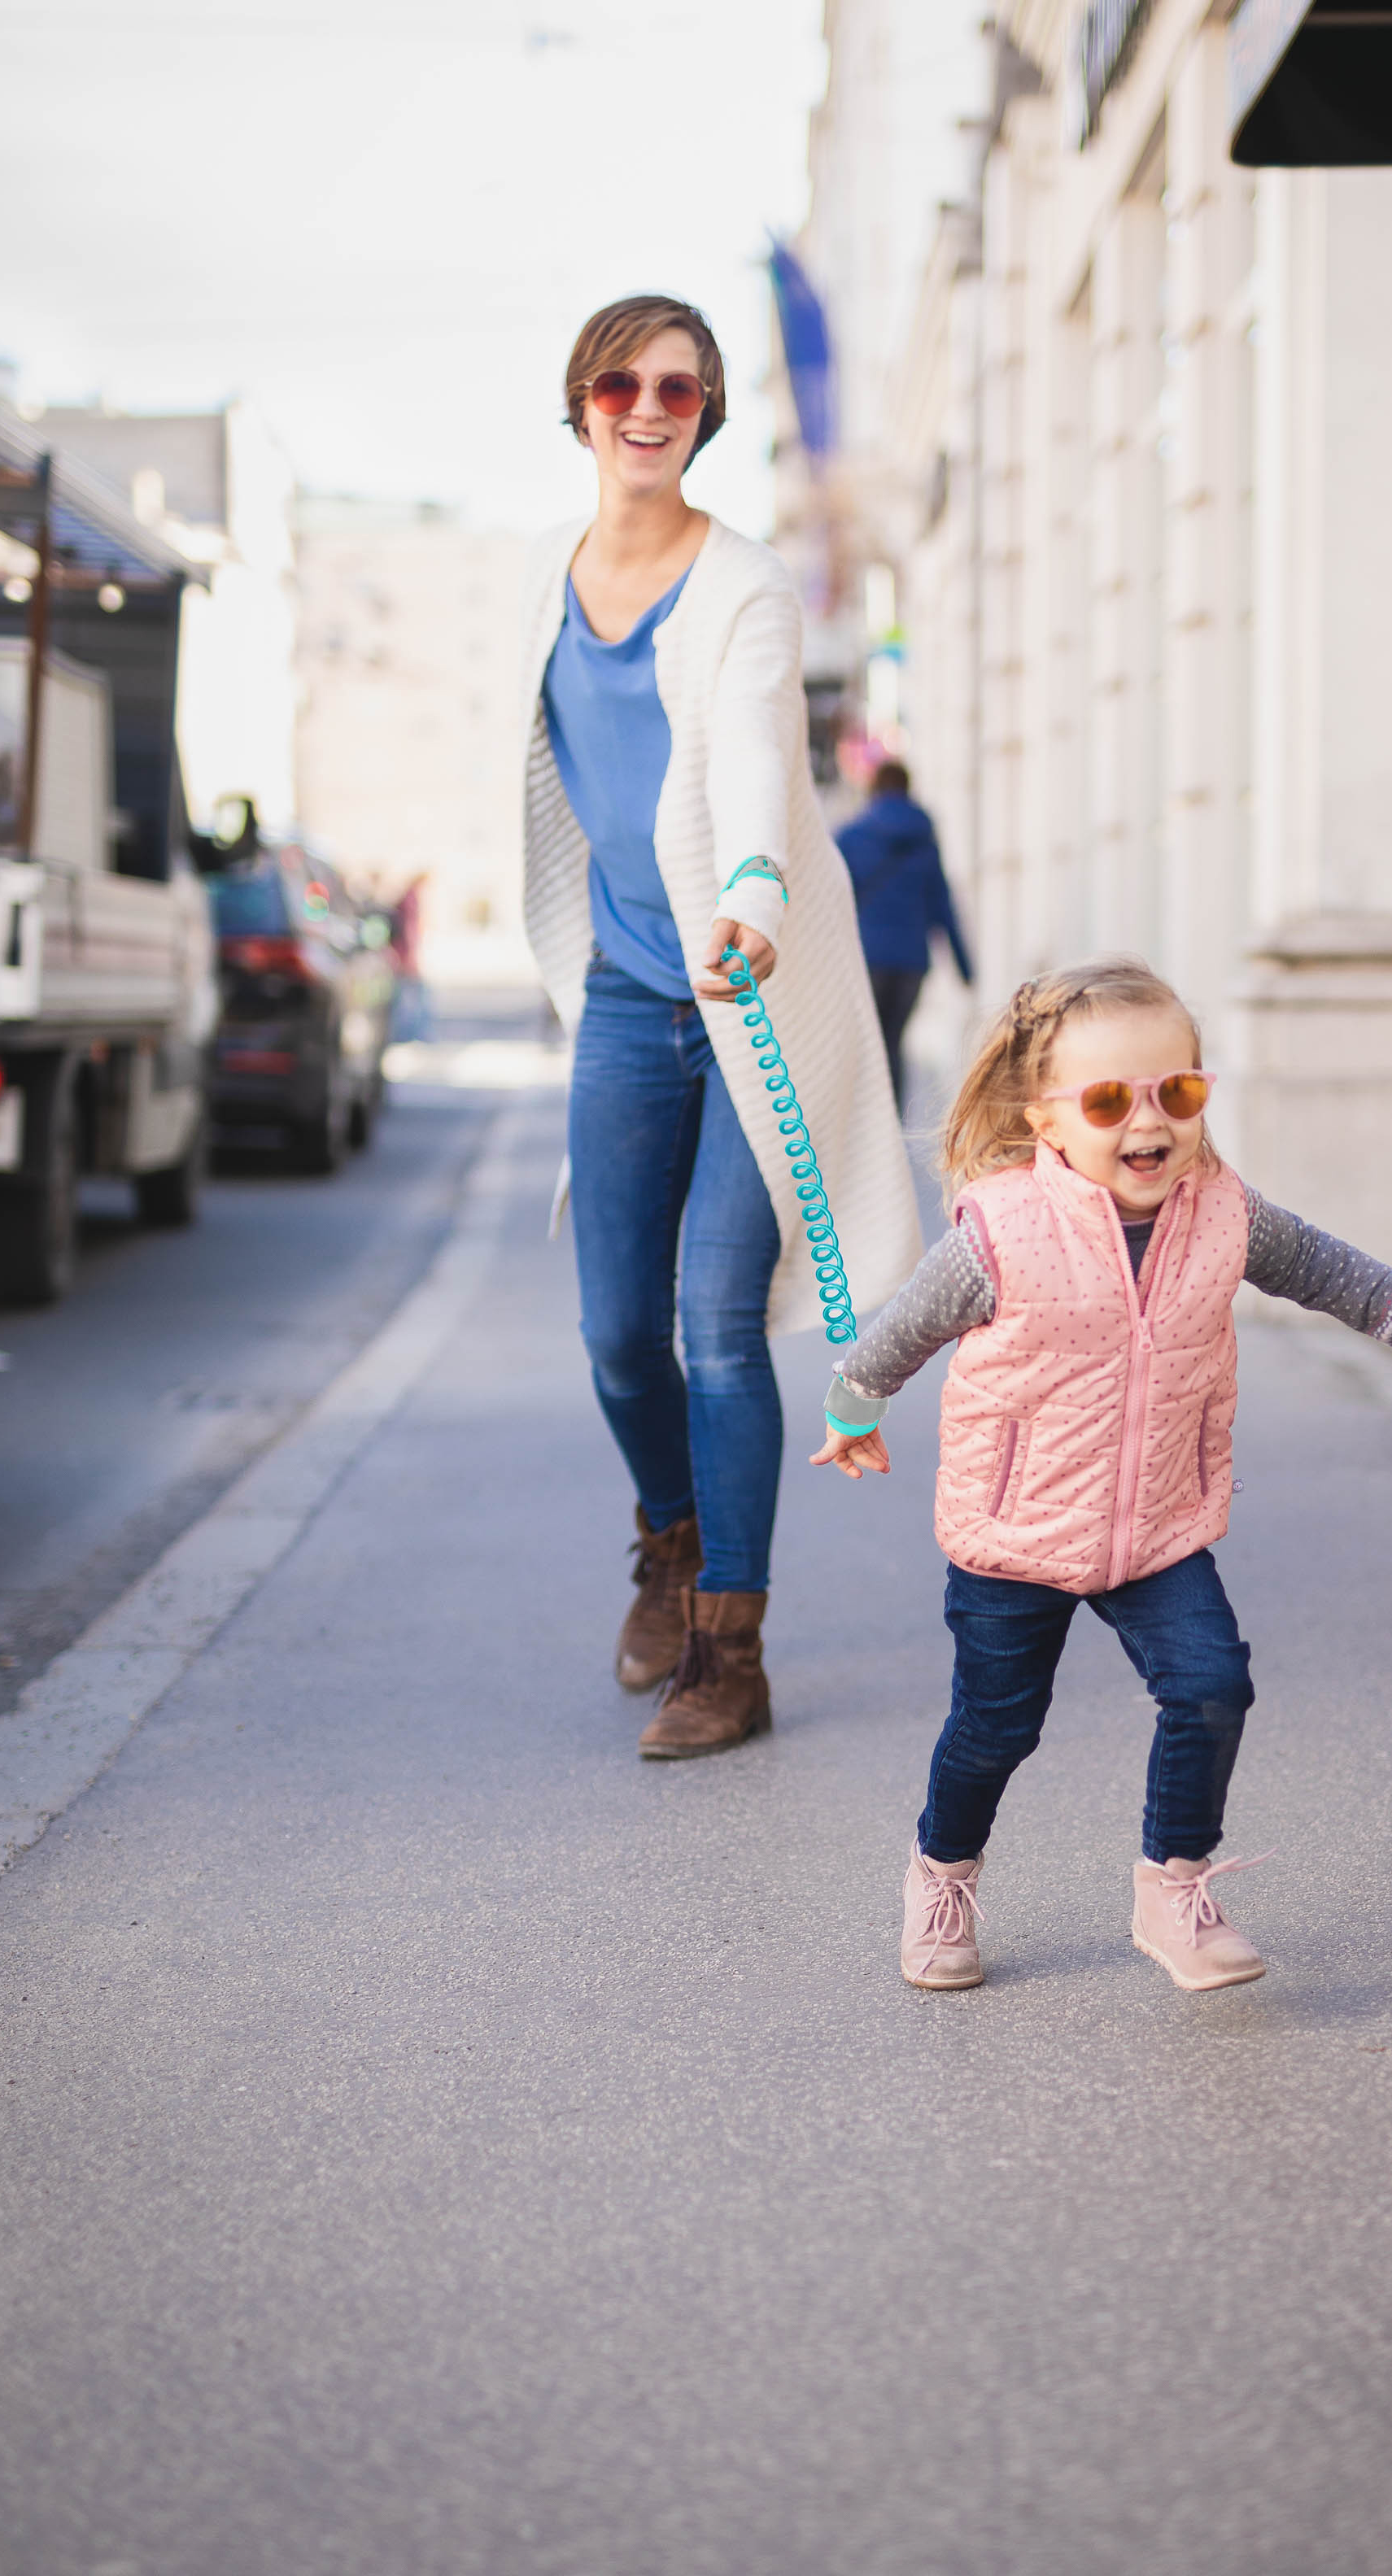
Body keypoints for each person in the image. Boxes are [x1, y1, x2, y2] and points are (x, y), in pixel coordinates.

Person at [809, 956, 1392, 1992]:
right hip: (1014, 1534)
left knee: (1212, 1686)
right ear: (1046, 1120)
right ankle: (941, 1873)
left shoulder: (1224, 1213)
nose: (1150, 1122)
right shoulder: (1001, 1232)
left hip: (1158, 1525)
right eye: (1113, 1099)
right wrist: (854, 1405)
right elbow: (905, 1328)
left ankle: (1174, 1888)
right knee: (995, 1729)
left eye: (1180, 1092)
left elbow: (1327, 1269)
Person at [522, 294, 920, 1759]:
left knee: (710, 1323)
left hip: (752, 988)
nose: (648, 406)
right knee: (616, 1332)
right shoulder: (541, 582)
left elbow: (756, 743)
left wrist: (753, 889)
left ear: (707, 412)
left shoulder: (743, 585)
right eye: (620, 382)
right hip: (630, 995)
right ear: (578, 403)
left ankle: (727, 1654)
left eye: (678, 388)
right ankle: (669, 1538)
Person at [834, 761, 972, 1100]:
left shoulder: (851, 837)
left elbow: (831, 900)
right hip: (911, 962)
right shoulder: (924, 841)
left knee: (864, 1044)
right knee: (893, 1043)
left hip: (866, 958)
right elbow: (942, 904)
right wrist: (965, 968)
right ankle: (890, 1123)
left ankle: (862, 1121)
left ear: (874, 790)